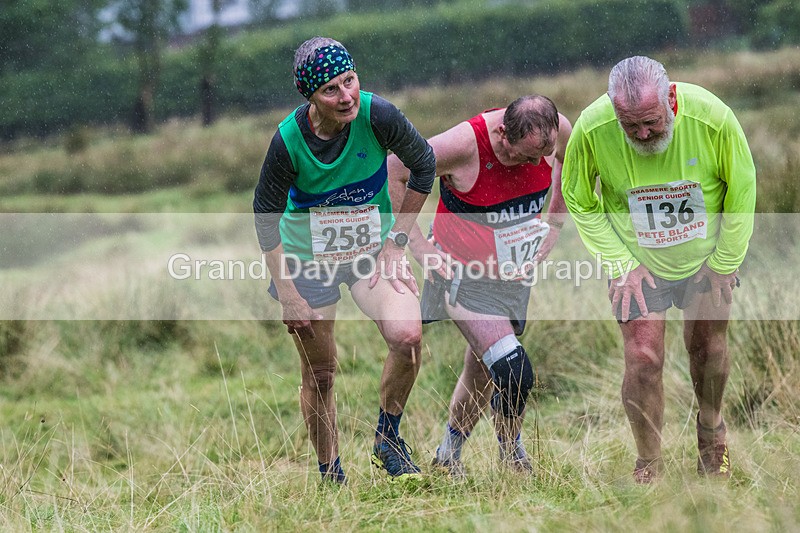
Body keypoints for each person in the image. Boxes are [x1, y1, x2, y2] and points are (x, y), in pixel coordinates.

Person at [561, 56, 756, 483]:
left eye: (651, 121)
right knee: (644, 358)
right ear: (614, 112)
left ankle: (712, 434)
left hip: (705, 260)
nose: (644, 133)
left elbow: (742, 188)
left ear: (671, 99)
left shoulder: (713, 118)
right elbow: (578, 197)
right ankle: (649, 461)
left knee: (708, 349)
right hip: (636, 264)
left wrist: (724, 263)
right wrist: (619, 263)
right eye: (631, 126)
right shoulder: (592, 128)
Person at [253, 37, 436, 484]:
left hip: (371, 254)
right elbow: (264, 220)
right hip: (307, 262)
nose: (346, 96)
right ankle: (331, 473)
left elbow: (425, 165)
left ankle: (387, 440)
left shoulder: (378, 116)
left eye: (350, 81)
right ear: (310, 97)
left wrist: (396, 243)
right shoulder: (288, 142)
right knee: (322, 374)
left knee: (408, 336)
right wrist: (289, 296)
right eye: (331, 89)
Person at [388, 95, 572, 476]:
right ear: (504, 134)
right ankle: (513, 457)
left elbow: (569, 166)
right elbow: (395, 170)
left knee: (484, 370)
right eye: (526, 157)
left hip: (512, 271)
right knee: (513, 370)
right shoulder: (463, 145)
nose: (536, 165)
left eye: (543, 154)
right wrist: (418, 247)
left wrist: (554, 222)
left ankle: (447, 457)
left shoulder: (558, 131)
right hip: (461, 273)